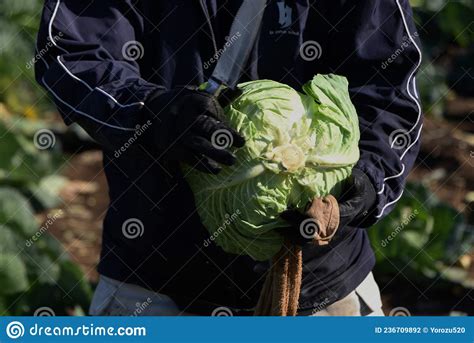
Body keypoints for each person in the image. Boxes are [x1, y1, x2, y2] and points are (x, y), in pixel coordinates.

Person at [35, 0, 422, 316]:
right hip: (154, 282)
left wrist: (370, 180)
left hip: (320, 283)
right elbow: (70, 49)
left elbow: (390, 84)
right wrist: (151, 111)